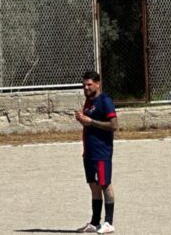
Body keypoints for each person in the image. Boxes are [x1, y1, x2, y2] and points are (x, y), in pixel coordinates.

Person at [75, 71, 118, 233]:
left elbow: (113, 125)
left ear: (98, 84)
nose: (85, 88)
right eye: (84, 85)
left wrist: (90, 122)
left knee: (105, 184)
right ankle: (95, 222)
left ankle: (109, 222)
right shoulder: (88, 101)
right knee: (93, 186)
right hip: (89, 152)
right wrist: (82, 119)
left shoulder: (105, 101)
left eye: (89, 85)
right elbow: (89, 123)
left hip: (102, 152)